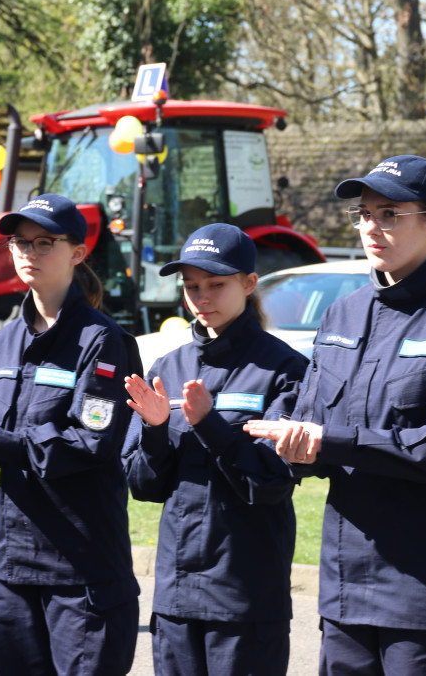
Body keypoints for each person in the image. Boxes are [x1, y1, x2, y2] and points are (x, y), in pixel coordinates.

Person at [245, 155, 426, 676]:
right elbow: (312, 421)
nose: (373, 226)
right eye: (364, 213)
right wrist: (285, 446)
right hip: (347, 591)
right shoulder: (343, 313)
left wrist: (331, 441)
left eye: (390, 213)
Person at [0, 193, 141, 675]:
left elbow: (93, 441)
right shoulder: (2, 340)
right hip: (15, 569)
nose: (29, 253)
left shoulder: (101, 340)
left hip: (81, 569)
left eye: (44, 242)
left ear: (77, 253)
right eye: (20, 242)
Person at [121, 223, 307, 675]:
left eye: (216, 284)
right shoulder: (169, 363)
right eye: (191, 286)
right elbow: (145, 485)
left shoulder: (285, 369)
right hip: (178, 593)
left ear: (248, 284)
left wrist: (211, 425)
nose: (202, 297)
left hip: (245, 594)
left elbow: (273, 482)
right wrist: (156, 428)